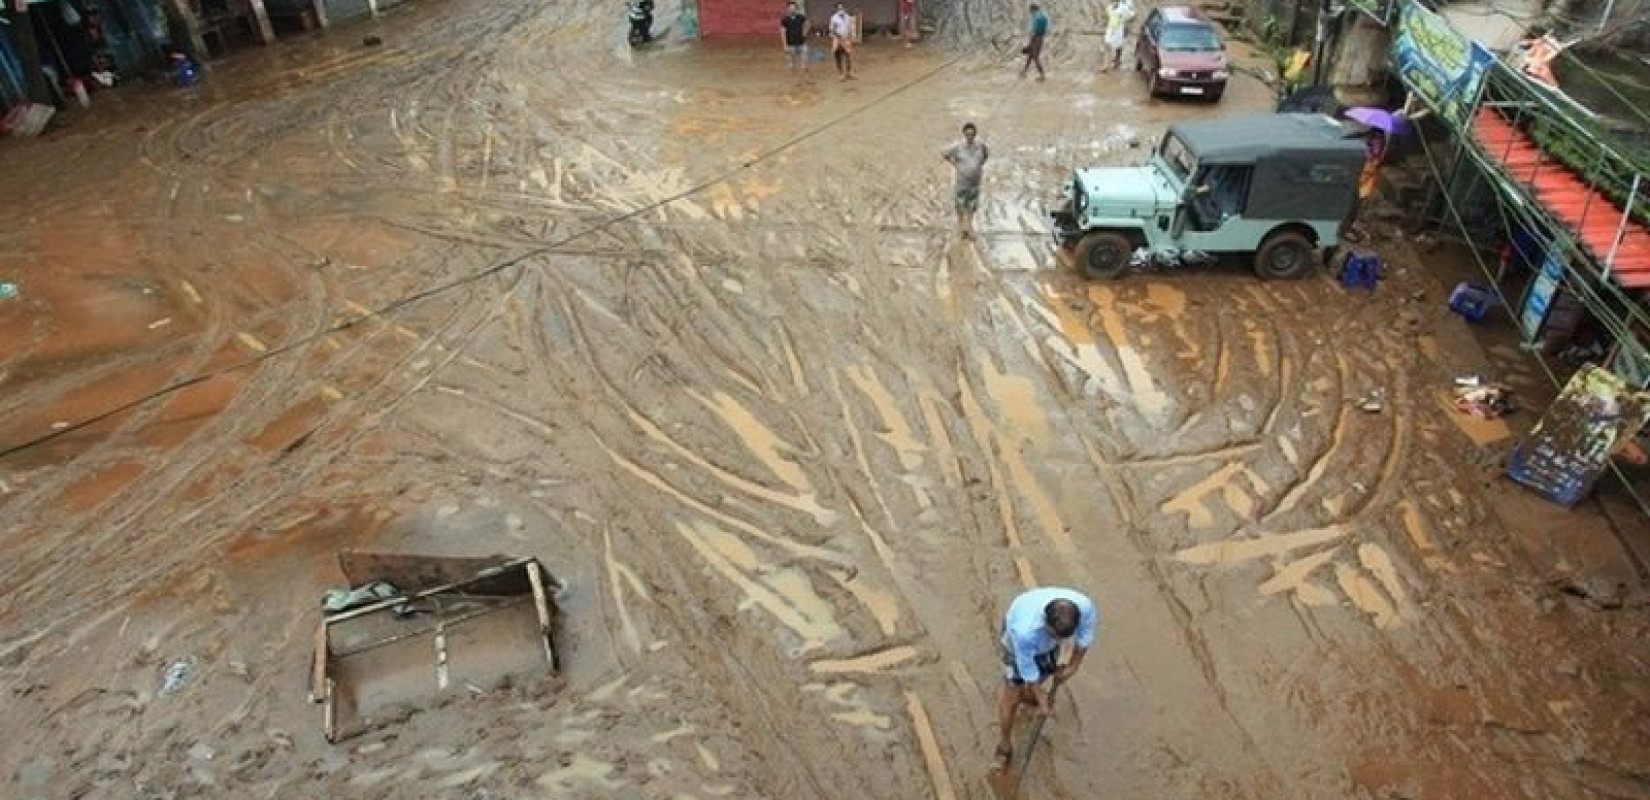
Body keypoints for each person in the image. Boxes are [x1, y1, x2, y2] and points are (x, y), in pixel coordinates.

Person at [994, 587, 1097, 770]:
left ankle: (1029, 695)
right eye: (1051, 634)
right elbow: (1027, 670)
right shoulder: (1024, 631)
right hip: (1016, 645)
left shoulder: (1085, 608)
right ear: (1045, 622)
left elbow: (1083, 639)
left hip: (1046, 646)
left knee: (1042, 674)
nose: (1054, 638)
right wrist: (1042, 699)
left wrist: (1073, 667)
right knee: (1012, 696)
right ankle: (1004, 745)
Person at [941, 122, 990, 240]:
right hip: (962, 182)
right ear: (964, 134)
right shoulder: (958, 146)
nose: (970, 136)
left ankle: (969, 227)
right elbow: (943, 153)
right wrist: (954, 163)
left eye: (972, 134)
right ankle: (961, 225)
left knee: (972, 206)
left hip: (975, 182)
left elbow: (986, 155)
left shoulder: (981, 146)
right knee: (960, 204)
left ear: (975, 134)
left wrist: (979, 165)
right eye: (968, 134)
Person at [1020, 4, 1049, 81]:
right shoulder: (1042, 16)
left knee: (1034, 56)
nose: (1030, 13)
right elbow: (1046, 28)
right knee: (1030, 56)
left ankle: (1042, 75)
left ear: (1033, 10)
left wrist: (1031, 37)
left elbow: (1034, 29)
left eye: (1030, 11)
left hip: (1036, 38)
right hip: (1038, 38)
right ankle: (1024, 72)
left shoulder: (1037, 17)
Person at [1102, 0, 1133, 71]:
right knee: (1108, 46)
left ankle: (1116, 60)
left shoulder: (1126, 5)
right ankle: (1106, 65)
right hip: (1111, 30)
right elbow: (1108, 15)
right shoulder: (1111, 7)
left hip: (1121, 29)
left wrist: (1124, 20)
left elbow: (1132, 14)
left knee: (1119, 46)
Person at [829, 3, 855, 80]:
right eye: (839, 9)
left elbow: (849, 27)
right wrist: (839, 37)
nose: (841, 10)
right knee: (838, 56)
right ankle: (841, 73)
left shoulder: (847, 17)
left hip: (846, 38)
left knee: (848, 55)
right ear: (836, 10)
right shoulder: (833, 18)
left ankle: (849, 72)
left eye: (842, 8)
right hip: (837, 38)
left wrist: (849, 38)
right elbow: (832, 29)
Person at [781, 2, 809, 74]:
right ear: (787, 9)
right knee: (792, 60)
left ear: (796, 9)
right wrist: (785, 45)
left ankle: (804, 70)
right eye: (790, 8)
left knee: (805, 56)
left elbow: (808, 24)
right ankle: (793, 71)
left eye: (794, 8)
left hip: (801, 41)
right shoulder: (785, 20)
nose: (792, 9)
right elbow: (783, 33)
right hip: (790, 42)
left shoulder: (801, 17)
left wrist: (805, 32)